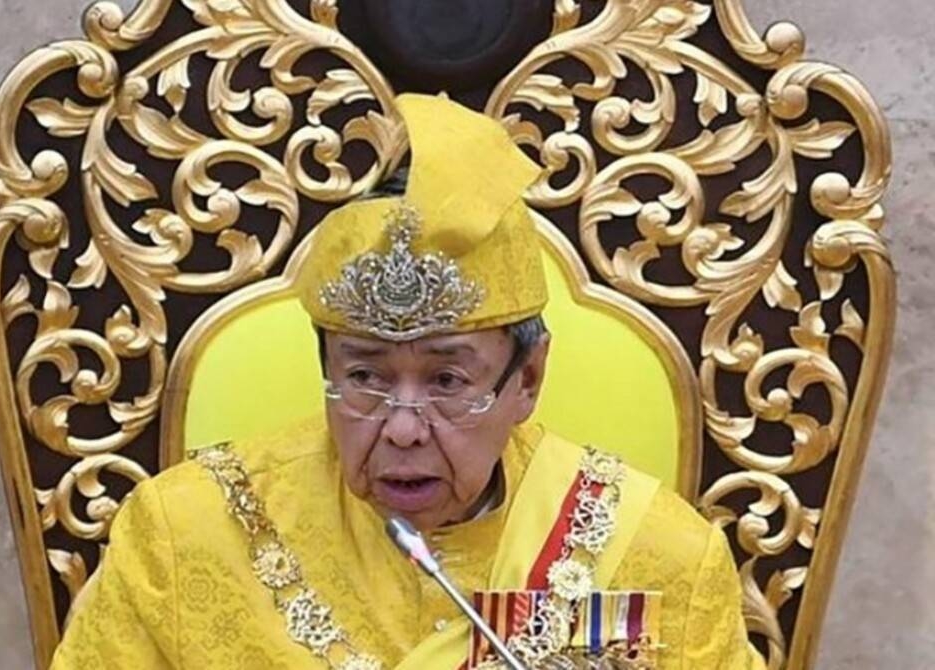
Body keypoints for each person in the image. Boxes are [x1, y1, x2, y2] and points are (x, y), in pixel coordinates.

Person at [50, 94, 765, 669]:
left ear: (528, 378)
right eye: (363, 375)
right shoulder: (183, 535)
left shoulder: (661, 554)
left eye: (448, 379)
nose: (400, 428)